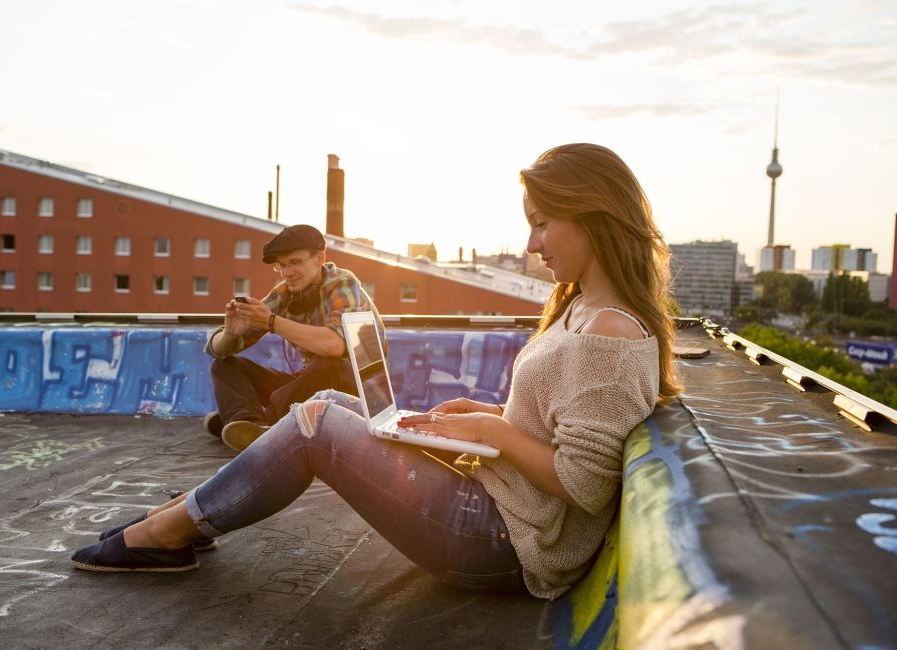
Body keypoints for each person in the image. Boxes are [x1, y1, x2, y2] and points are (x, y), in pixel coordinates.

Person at [71, 144, 681, 601]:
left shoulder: (612, 331)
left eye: (543, 222)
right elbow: (561, 427)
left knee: (315, 428)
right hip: (497, 508)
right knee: (332, 401)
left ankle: (171, 531)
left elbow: (584, 483)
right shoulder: (581, 309)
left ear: (595, 215)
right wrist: (489, 414)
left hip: (505, 542)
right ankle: (195, 513)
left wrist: (495, 435)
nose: (531, 242)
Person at [203, 223, 386, 452]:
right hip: (311, 388)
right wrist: (230, 334)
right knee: (225, 365)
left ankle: (261, 418)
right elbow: (217, 349)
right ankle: (251, 425)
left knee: (328, 365)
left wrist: (271, 322)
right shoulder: (285, 293)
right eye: (282, 266)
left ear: (319, 258)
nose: (287, 273)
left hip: (358, 393)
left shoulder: (342, 283)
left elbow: (334, 346)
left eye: (295, 262)